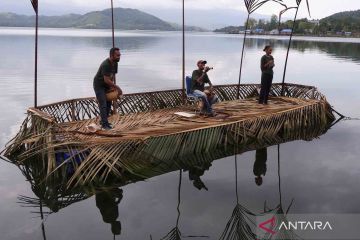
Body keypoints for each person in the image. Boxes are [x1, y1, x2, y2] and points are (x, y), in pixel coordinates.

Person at [93, 47, 123, 130]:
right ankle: (105, 125)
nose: (119, 57)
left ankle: (103, 121)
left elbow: (112, 76)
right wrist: (117, 87)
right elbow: (106, 79)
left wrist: (111, 87)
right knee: (103, 104)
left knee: (109, 104)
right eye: (117, 55)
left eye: (119, 55)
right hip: (99, 85)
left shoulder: (115, 63)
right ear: (111, 55)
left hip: (106, 85)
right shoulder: (106, 64)